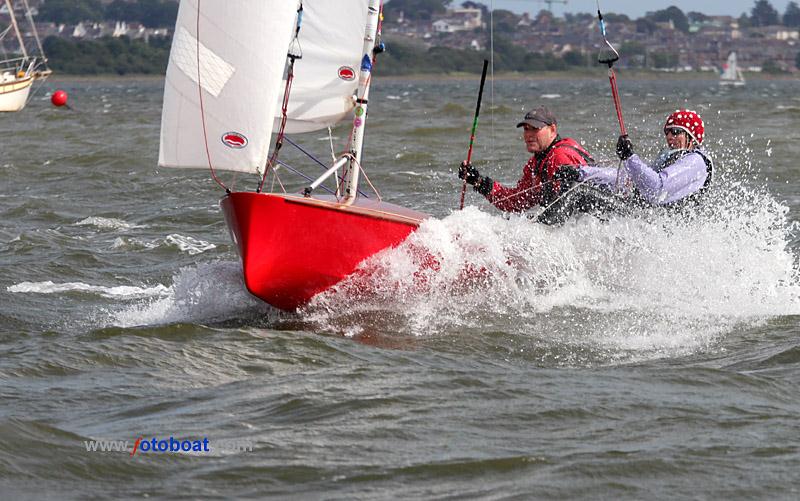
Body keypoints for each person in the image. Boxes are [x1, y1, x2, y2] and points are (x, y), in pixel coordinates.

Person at [458, 105, 595, 224]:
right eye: (526, 129)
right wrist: (479, 182)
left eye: (535, 129)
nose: (528, 135)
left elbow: (564, 212)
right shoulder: (537, 162)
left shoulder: (560, 157)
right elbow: (517, 201)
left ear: (552, 130)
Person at [581, 109, 714, 208]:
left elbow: (656, 190)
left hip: (671, 232)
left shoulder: (695, 162)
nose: (669, 137)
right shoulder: (669, 159)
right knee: (584, 193)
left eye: (675, 132)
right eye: (666, 132)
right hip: (652, 221)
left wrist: (630, 157)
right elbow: (630, 181)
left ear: (691, 138)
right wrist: (583, 174)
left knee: (585, 199)